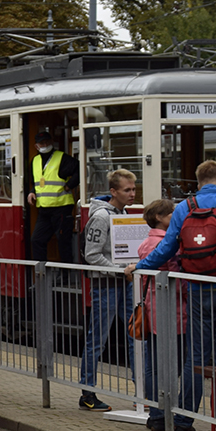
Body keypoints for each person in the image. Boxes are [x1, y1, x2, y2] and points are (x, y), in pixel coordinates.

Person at [124, 160, 216, 431]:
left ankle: (184, 420)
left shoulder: (185, 208)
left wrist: (140, 266)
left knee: (195, 358)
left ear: (199, 182)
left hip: (198, 290)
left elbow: (166, 247)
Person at [78, 169, 138, 411]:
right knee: (97, 339)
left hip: (123, 282)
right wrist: (117, 269)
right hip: (106, 284)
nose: (132, 194)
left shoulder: (123, 213)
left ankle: (142, 393)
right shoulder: (102, 217)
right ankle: (87, 393)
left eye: (134, 189)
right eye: (127, 190)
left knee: (136, 335)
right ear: (113, 192)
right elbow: (92, 254)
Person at [136, 198, 187, 431]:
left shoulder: (148, 242)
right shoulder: (163, 243)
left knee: (154, 364)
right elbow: (177, 278)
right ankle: (162, 413)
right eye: (171, 214)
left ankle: (157, 413)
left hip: (155, 311)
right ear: (160, 217)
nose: (176, 218)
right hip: (171, 312)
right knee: (168, 364)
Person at [27, 131, 80, 263]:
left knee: (63, 242)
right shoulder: (35, 161)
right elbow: (36, 181)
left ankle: (65, 277)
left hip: (62, 208)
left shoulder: (62, 158)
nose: (45, 144)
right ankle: (42, 276)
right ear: (36, 146)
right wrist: (32, 191)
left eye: (47, 141)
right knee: (36, 240)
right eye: (42, 143)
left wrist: (70, 185)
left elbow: (80, 169)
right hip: (44, 209)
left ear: (51, 142)